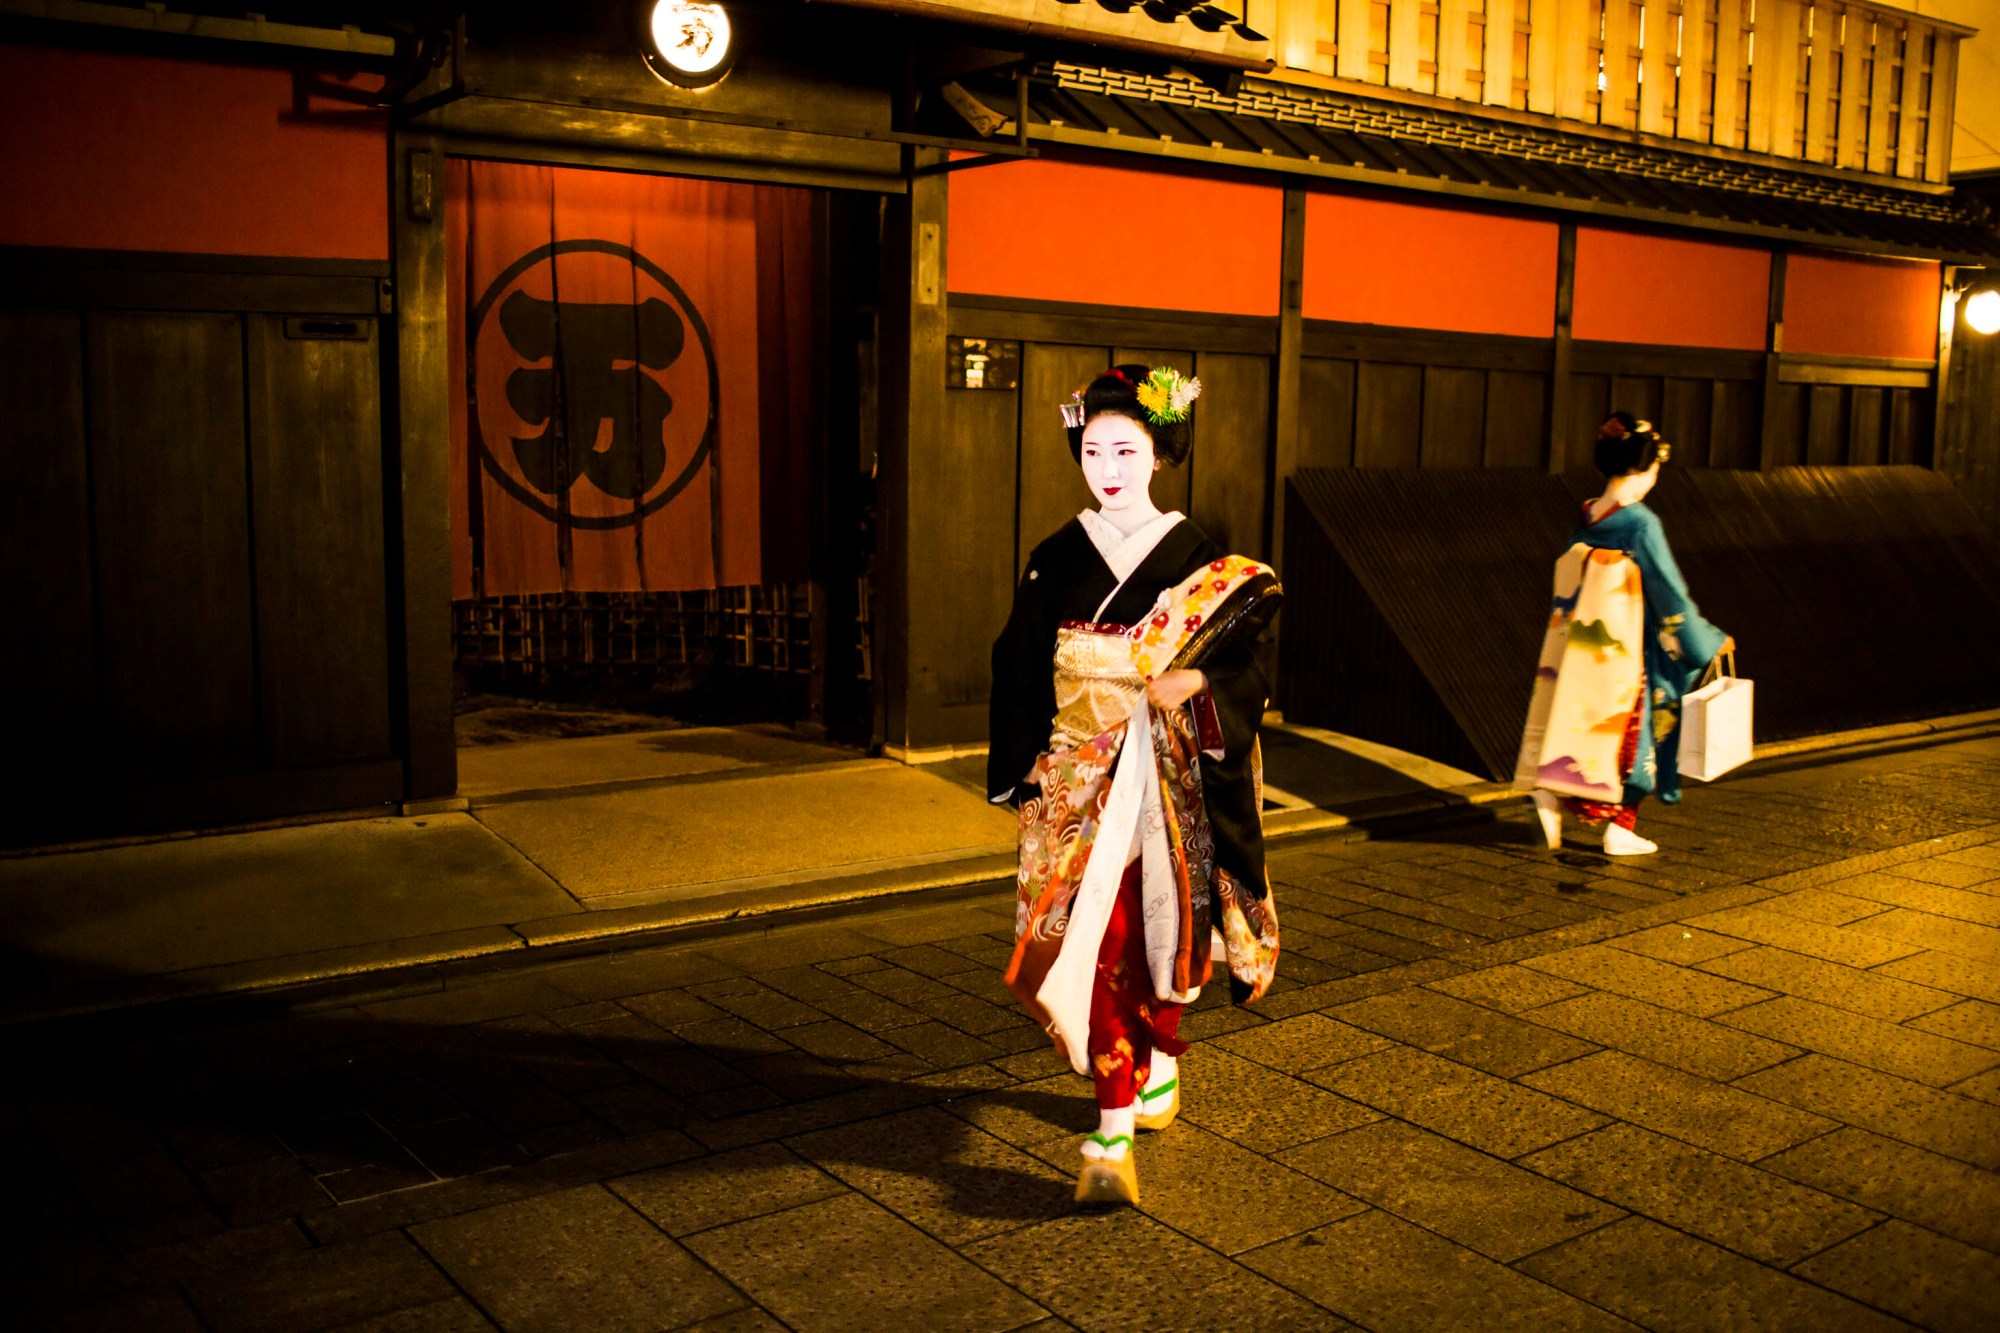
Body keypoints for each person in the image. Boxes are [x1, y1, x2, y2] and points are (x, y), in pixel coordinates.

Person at [988, 364, 1281, 1208]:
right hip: (1081, 778)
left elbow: (1244, 665)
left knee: (1168, 932)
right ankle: (1120, 1115)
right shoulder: (1056, 556)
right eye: (1092, 448)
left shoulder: (1199, 556)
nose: (1107, 466)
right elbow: (1017, 664)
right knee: (1106, 944)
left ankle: (1137, 1091)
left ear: (1159, 454)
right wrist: (1023, 766)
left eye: (1126, 448)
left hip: (1167, 775)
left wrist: (1202, 687)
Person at [1516, 411, 1736, 856]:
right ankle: (1620, 826)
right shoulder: (1641, 523)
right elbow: (1669, 593)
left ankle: (1551, 794)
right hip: (1628, 651)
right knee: (1641, 728)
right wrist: (1707, 638)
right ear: (1648, 467)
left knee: (1580, 722)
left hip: (1586, 646)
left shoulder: (1590, 514)